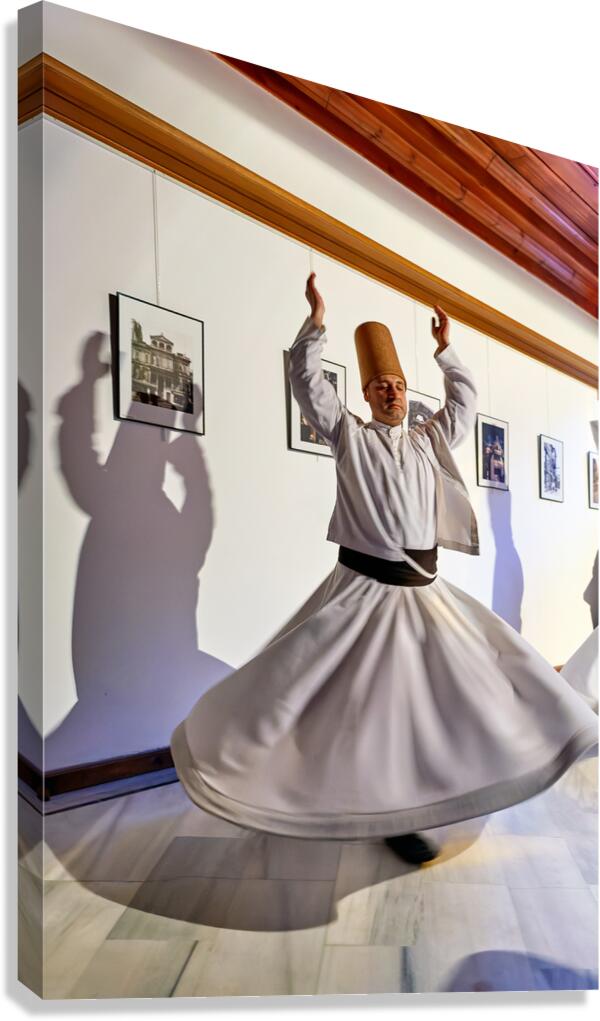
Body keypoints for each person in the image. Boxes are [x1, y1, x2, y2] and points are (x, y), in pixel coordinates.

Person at [170, 273, 598, 867]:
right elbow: (304, 381)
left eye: (398, 385)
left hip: (424, 592)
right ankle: (364, 804)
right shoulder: (348, 434)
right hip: (362, 592)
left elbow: (466, 401)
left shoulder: (429, 440)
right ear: (367, 395)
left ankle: (443, 789)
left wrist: (446, 352)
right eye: (381, 387)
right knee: (350, 702)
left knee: (469, 684)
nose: (392, 394)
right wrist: (317, 323)